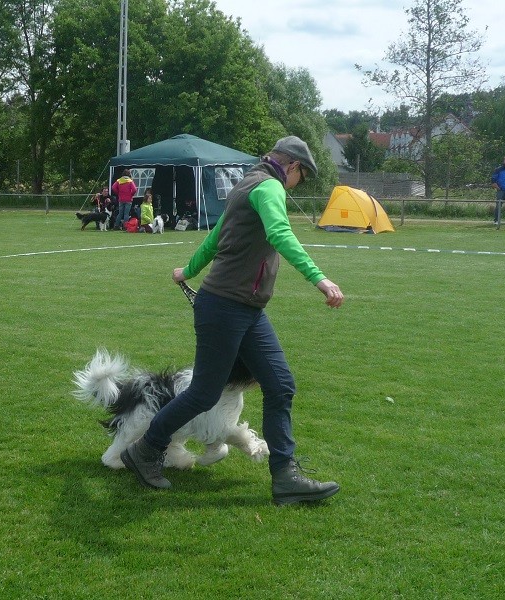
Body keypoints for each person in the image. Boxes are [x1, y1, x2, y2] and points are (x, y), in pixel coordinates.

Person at [120, 136, 345, 506]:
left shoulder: (246, 183)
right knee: (205, 392)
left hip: (246, 309)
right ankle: (145, 450)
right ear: (291, 165)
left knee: (280, 385)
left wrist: (187, 271)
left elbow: (214, 239)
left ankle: (285, 476)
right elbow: (280, 233)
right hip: (226, 306)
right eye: (301, 175)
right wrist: (321, 279)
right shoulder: (268, 186)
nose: (297, 183)